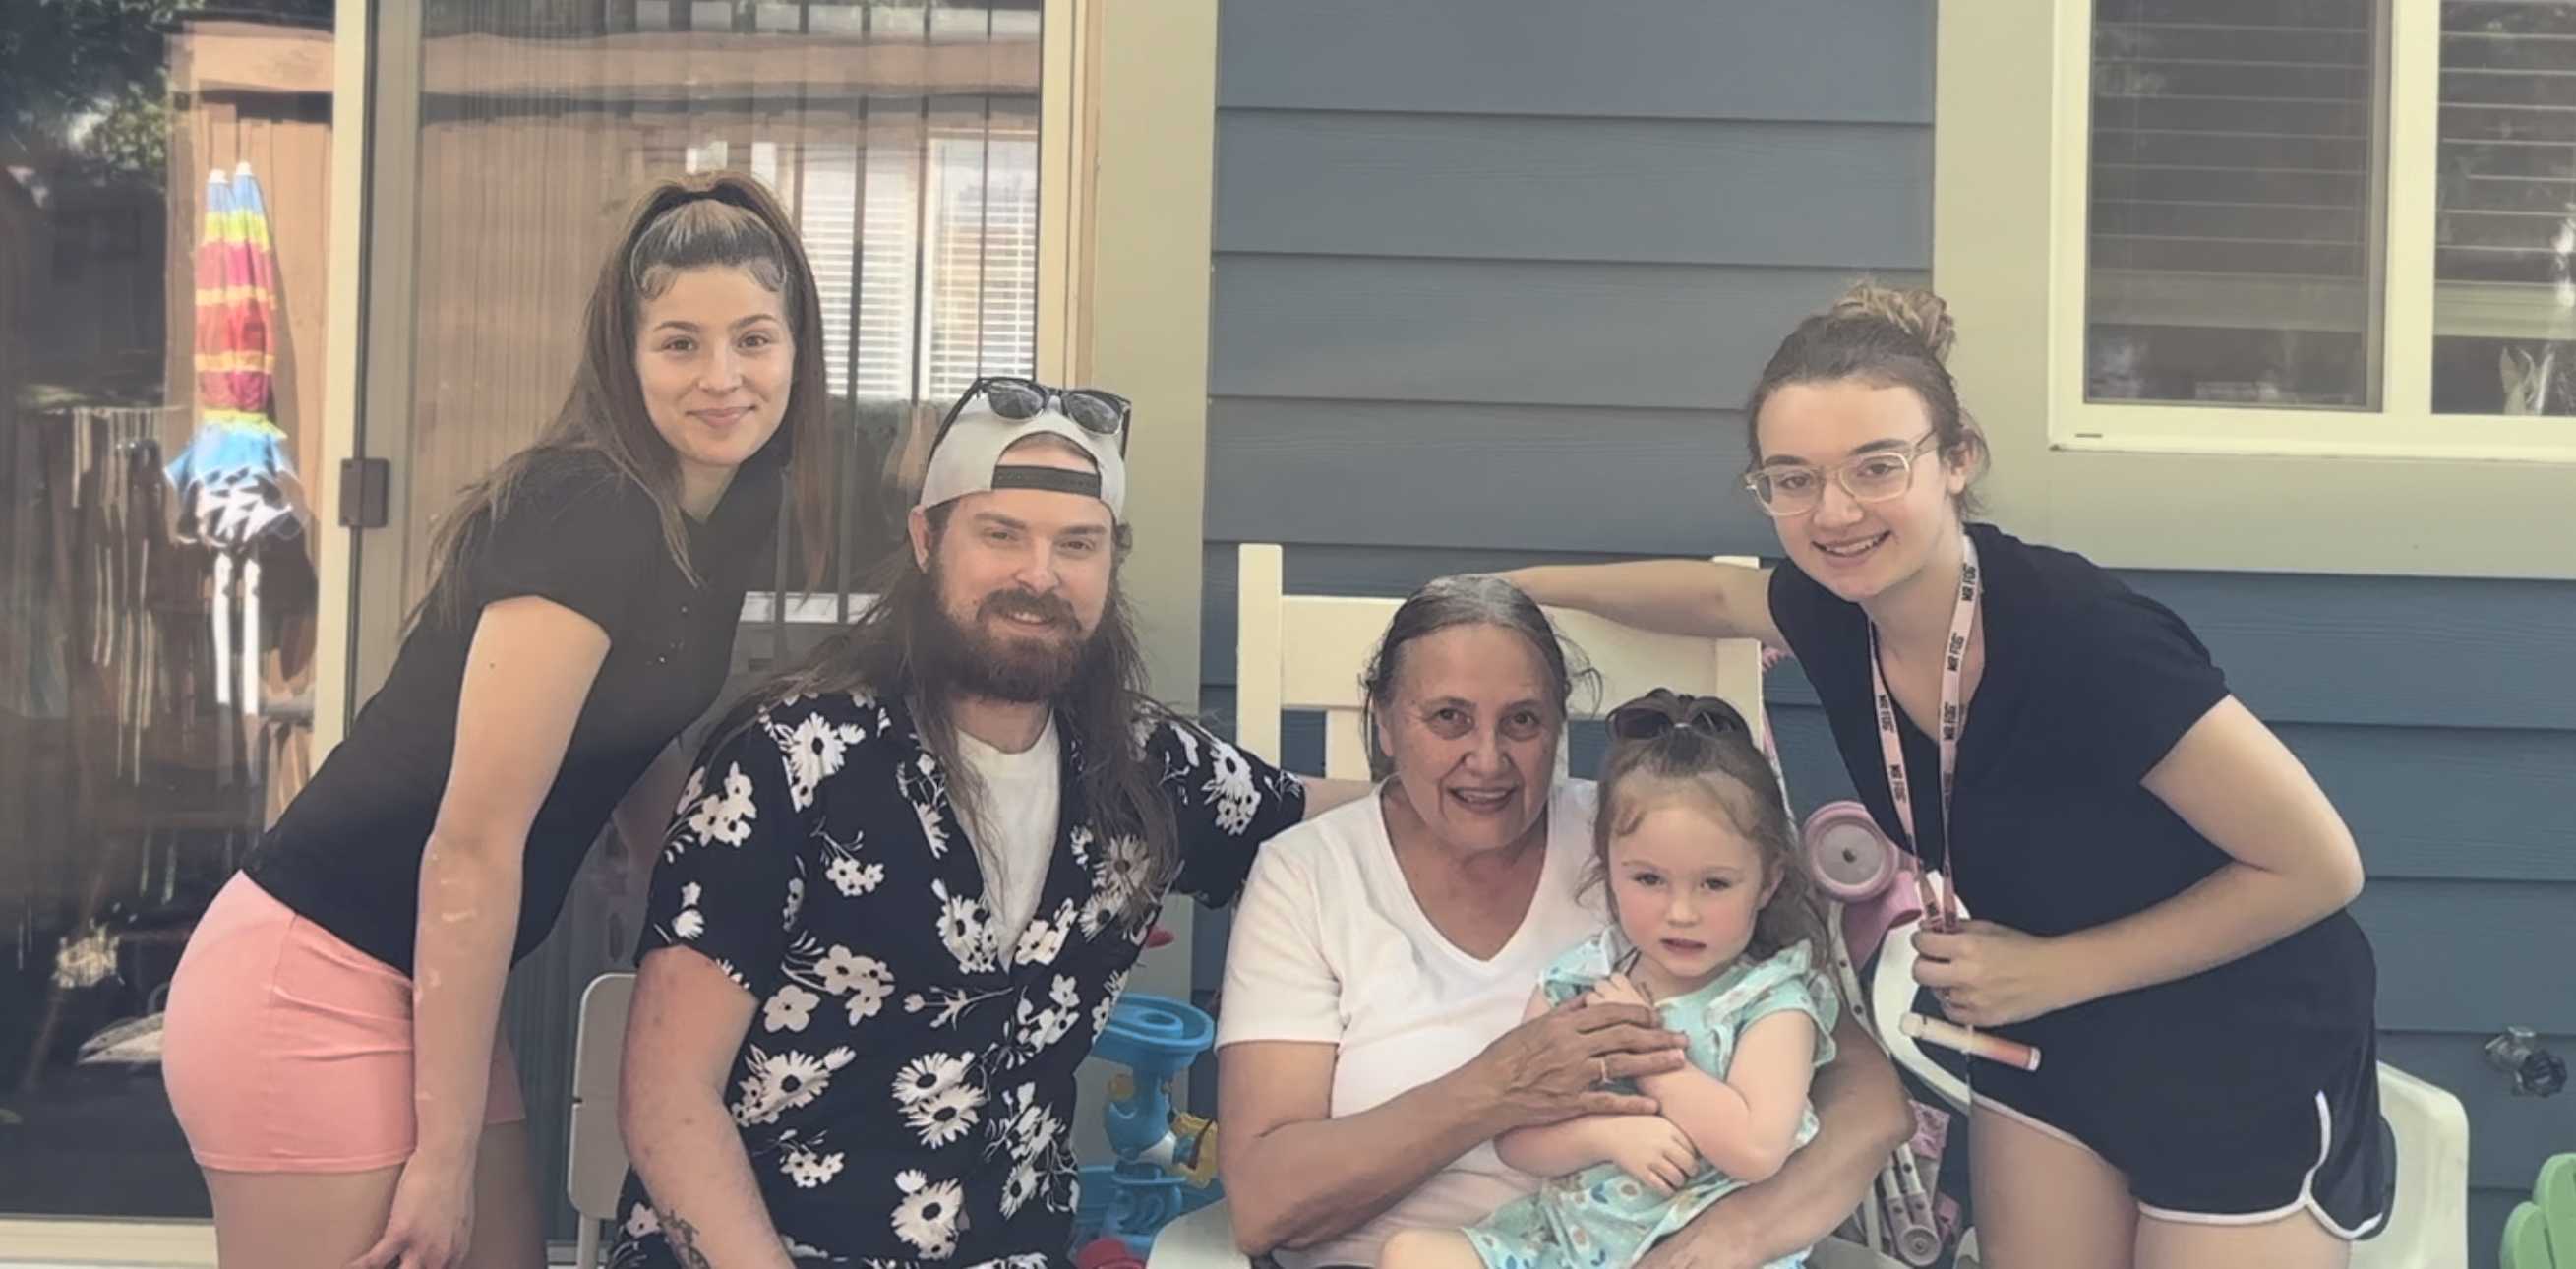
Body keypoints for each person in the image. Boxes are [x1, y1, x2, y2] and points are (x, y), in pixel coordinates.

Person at [1504, 283, 2390, 1269]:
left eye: (1875, 467)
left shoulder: (2082, 635)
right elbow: (1717, 596)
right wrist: (1514, 593)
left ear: (1958, 458)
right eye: (1792, 480)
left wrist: (2058, 970)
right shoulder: (1837, 612)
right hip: (2043, 1033)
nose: (1834, 512)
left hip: (2231, 1036)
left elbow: (2317, 868)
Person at [159, 170, 831, 1269]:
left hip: (431, 996)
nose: (723, 378)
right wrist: (441, 1157)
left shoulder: (716, 513)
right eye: (680, 344)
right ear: (625, 357)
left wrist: (715, 917)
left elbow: (629, 731)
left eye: (753, 340)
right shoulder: (590, 508)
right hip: (315, 975)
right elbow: (471, 845)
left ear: (797, 352)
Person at [608, 377, 1367, 1268]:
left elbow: (1345, 818)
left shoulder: (1144, 770)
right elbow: (668, 1096)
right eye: (1000, 534)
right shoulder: (790, 757)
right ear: (926, 539)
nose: (1038, 576)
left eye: (1075, 544)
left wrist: (1503, 754)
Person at [1217, 575, 1913, 1269]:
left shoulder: (1652, 843)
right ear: (1385, 724)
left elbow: (1870, 1102)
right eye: (1448, 718)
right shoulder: (1308, 875)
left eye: (1522, 720)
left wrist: (1737, 1236)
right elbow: (1263, 1205)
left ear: (1557, 725)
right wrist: (1496, 1089)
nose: (1487, 759)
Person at [1381, 690, 1840, 1269]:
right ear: (1610, 870)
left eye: (1715, 884)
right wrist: (1606, 1137)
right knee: (1411, 1255)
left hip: (1695, 1254)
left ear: (1767, 882)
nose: (1681, 912)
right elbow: (1517, 1139)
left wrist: (1648, 1060)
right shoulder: (1580, 982)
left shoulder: (1768, 1003)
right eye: (1649, 879)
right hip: (1566, 1248)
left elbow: (1755, 1149)